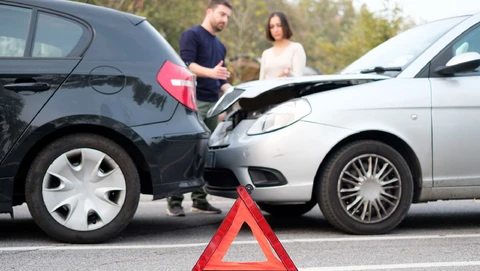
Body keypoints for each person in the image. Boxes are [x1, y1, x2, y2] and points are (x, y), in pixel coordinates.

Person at [166, 0, 233, 217]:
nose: (224, 20)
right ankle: (174, 201)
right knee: (186, 151)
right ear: (209, 12)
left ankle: (199, 201)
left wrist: (230, 89)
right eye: (222, 14)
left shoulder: (221, 46)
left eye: (228, 17)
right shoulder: (192, 35)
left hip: (213, 104)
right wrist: (211, 73)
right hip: (191, 102)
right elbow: (186, 65)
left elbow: (219, 78)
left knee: (205, 153)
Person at [259, 11, 307, 80]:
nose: (275, 30)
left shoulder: (296, 48)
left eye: (279, 25)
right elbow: (261, 81)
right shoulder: (266, 53)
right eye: (272, 27)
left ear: (285, 26)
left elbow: (299, 78)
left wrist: (288, 74)